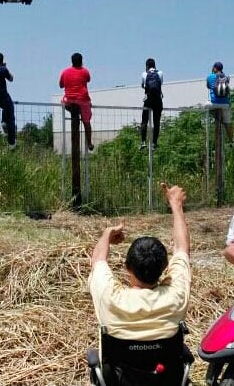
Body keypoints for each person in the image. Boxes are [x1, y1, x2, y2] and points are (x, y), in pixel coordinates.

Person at [88, 183, 191, 385]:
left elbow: (97, 260)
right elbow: (182, 249)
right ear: (165, 268)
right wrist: (176, 205)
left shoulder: (111, 298)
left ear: (127, 267)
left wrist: (108, 234)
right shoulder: (175, 297)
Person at [59, 52, 94, 152]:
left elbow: (61, 85)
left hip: (69, 101)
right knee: (86, 122)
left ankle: (74, 113)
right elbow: (88, 80)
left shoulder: (65, 72)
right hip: (83, 100)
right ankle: (89, 143)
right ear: (81, 61)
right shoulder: (85, 71)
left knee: (63, 102)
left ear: (72, 61)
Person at [206, 61, 233, 142]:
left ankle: (217, 118)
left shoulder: (210, 77)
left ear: (214, 68)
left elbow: (208, 86)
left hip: (214, 103)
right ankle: (231, 140)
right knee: (228, 122)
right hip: (225, 104)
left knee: (206, 104)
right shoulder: (226, 77)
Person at [139, 58, 163, 149]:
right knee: (156, 122)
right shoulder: (160, 73)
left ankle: (143, 142)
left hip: (148, 99)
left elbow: (143, 85)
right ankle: (154, 143)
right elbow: (160, 84)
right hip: (157, 100)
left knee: (144, 121)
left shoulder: (144, 74)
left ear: (147, 66)